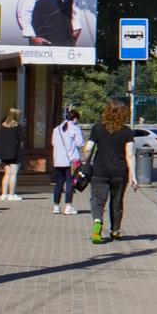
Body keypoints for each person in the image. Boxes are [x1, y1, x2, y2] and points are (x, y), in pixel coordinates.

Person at [83, 102, 136, 244]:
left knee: (98, 199)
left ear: (106, 113)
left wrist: (85, 161)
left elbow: (88, 149)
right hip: (119, 173)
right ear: (123, 115)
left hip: (100, 171)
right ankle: (116, 231)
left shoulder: (98, 129)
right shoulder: (127, 132)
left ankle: (97, 221)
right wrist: (133, 176)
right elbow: (130, 155)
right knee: (117, 201)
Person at [51, 109, 84, 215]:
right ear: (75, 119)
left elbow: (53, 143)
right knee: (70, 183)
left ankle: (56, 205)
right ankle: (68, 206)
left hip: (58, 160)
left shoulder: (57, 129)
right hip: (70, 161)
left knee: (59, 183)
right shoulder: (75, 129)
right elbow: (80, 143)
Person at [0, 107, 25, 201]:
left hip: (4, 153)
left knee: (6, 173)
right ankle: (11, 194)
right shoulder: (18, 127)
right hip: (15, 153)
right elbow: (22, 139)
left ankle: (4, 194)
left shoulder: (2, 127)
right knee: (13, 174)